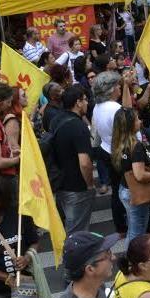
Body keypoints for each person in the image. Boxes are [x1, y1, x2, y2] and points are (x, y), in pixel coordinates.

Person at [112, 108, 150, 246]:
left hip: (124, 189)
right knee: (137, 232)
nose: (140, 121)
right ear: (130, 124)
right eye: (136, 119)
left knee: (133, 228)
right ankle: (132, 261)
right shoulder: (136, 146)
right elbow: (140, 175)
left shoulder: (119, 143)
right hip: (135, 193)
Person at [52, 85, 96, 234]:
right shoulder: (78, 126)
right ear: (78, 102)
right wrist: (90, 184)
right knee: (78, 232)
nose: (87, 103)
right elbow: (84, 162)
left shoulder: (56, 119)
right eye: (85, 100)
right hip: (77, 187)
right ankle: (74, 256)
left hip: (60, 183)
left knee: (71, 226)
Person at [93, 71, 128, 234]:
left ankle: (120, 226)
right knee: (127, 189)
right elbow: (128, 129)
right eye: (117, 85)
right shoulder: (115, 108)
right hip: (120, 152)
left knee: (116, 190)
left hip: (106, 150)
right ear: (111, 89)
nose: (119, 87)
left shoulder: (97, 107)